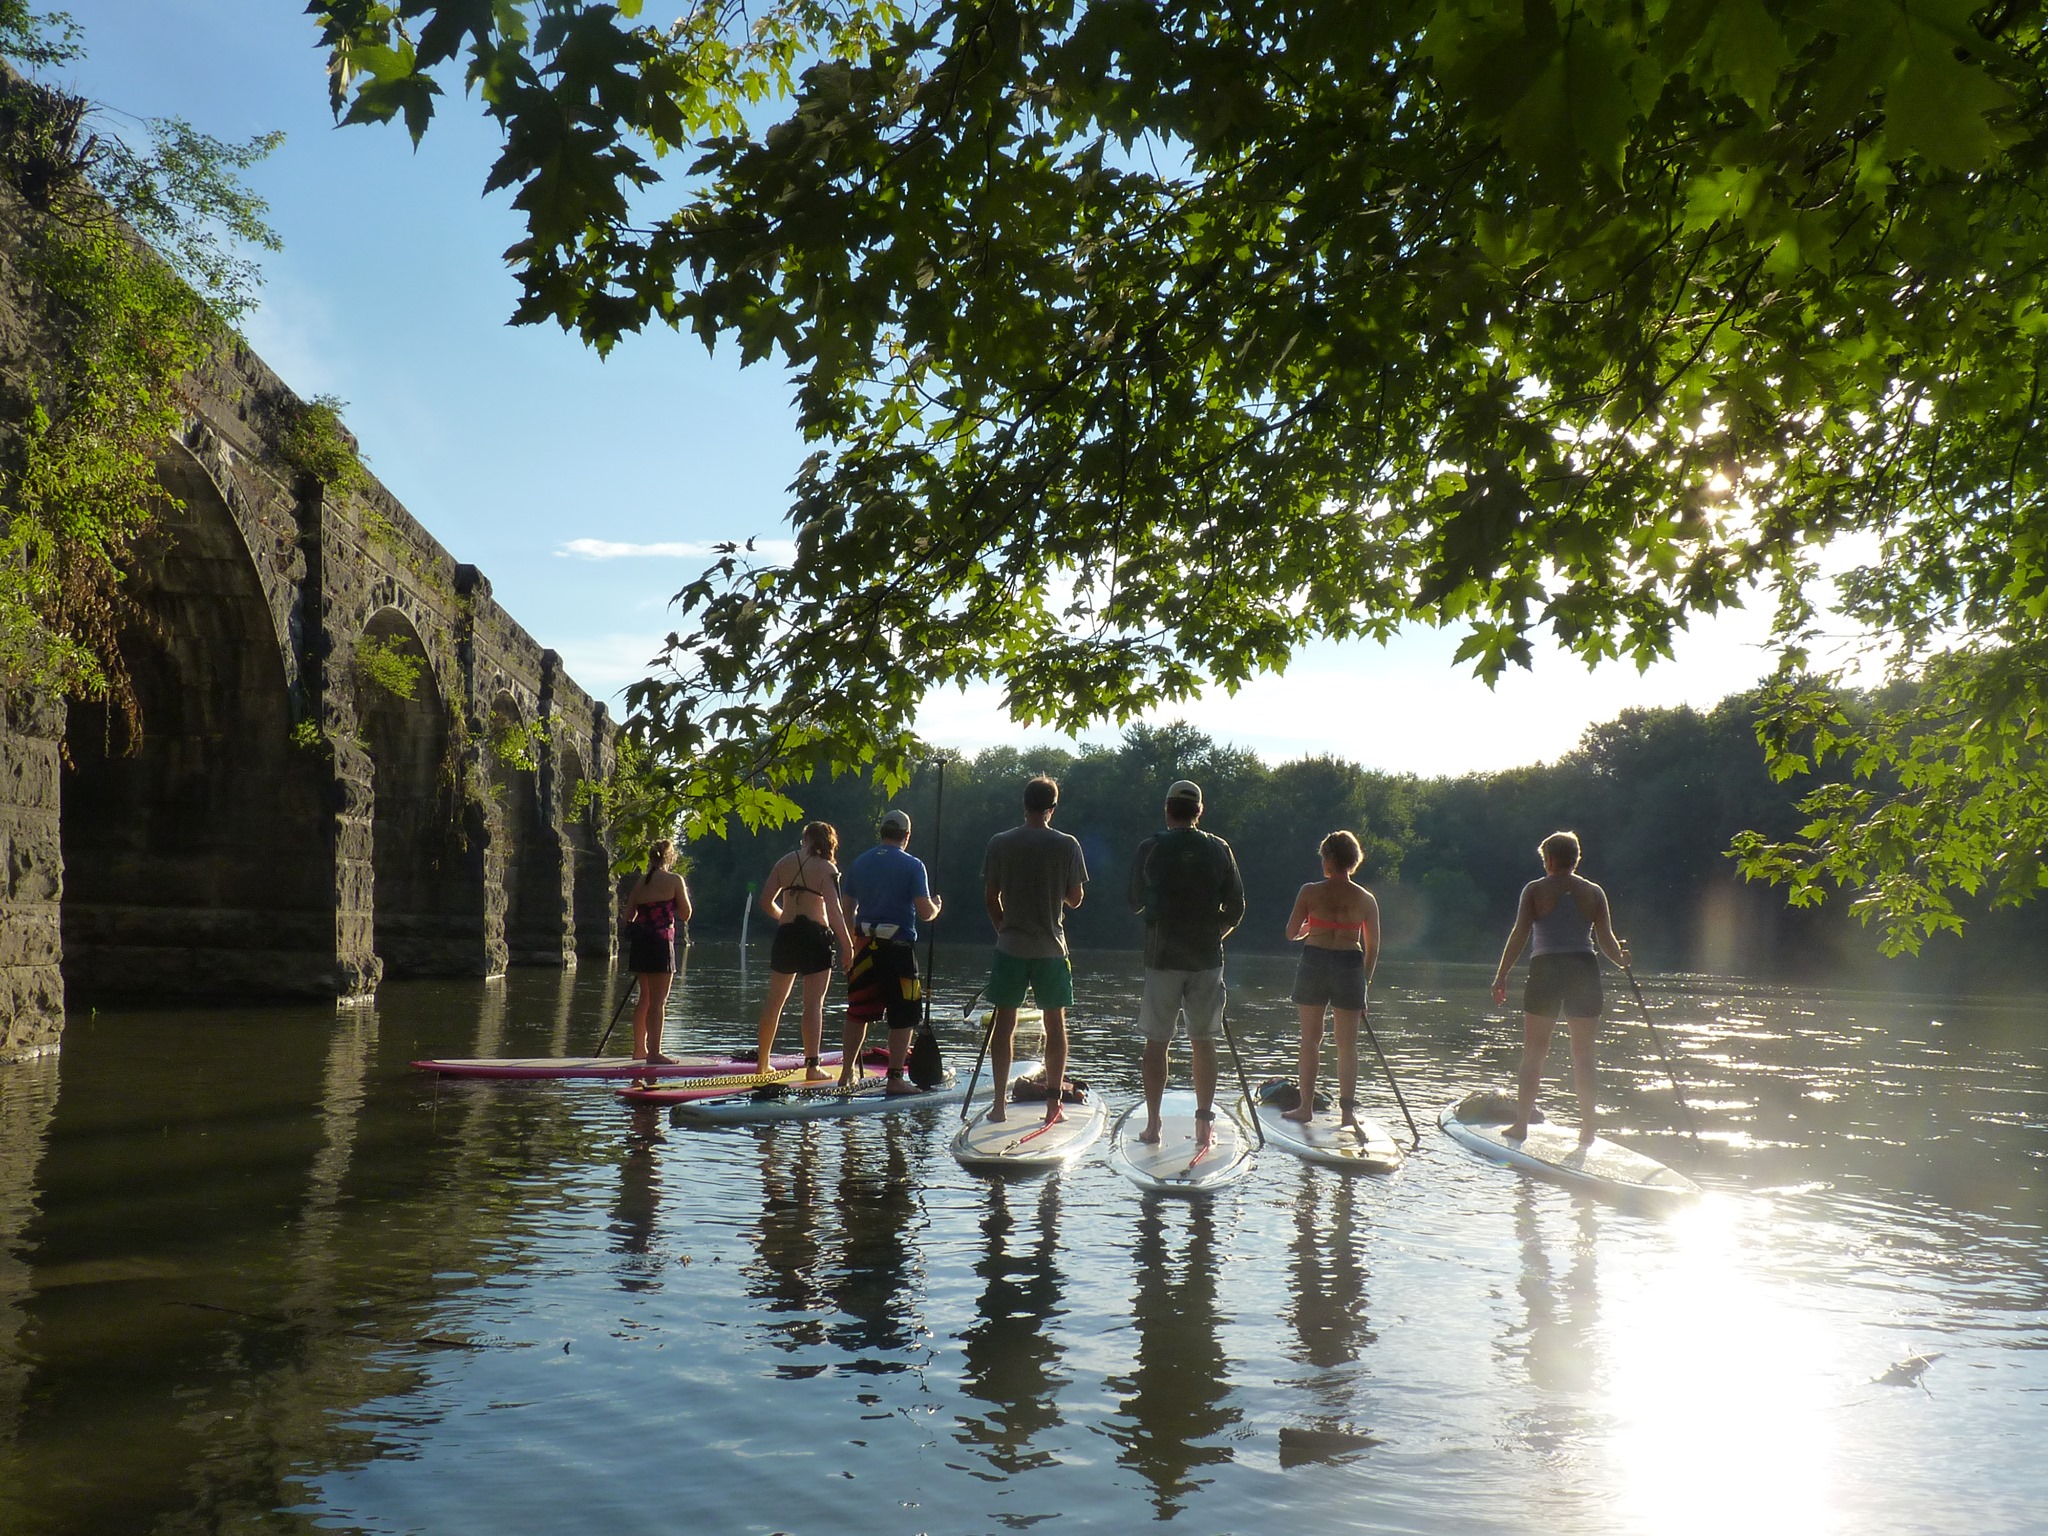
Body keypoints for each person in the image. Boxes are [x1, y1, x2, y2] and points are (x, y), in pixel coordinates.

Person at [1489, 829, 1631, 1145]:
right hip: (1584, 968)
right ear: (1575, 859)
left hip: (1546, 970)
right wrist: (1621, 960)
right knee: (1584, 1055)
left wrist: (1501, 977)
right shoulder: (1594, 892)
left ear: (1550, 859)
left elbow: (1519, 935)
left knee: (1534, 1053)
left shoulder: (1535, 890)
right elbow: (1606, 939)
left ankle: (1521, 1126)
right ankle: (1588, 1130)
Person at [1127, 779, 1245, 1149]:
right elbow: (1237, 908)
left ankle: (1152, 1125)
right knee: (1203, 1041)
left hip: (1162, 960)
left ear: (1167, 809)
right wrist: (1214, 934)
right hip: (1207, 960)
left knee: (1156, 1042)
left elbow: (1133, 902)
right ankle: (1203, 1126)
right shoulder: (1220, 849)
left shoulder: (1150, 848)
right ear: (1199, 811)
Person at [981, 774, 1087, 1126]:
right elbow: (1075, 899)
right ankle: (1053, 1105)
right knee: (1055, 1024)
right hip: (1051, 947)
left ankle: (999, 1104)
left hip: (1010, 944)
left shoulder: (999, 842)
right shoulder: (1067, 844)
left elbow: (991, 895)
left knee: (1004, 1024)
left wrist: (1002, 927)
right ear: (1052, 808)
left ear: (1024, 805)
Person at [839, 808, 943, 1094]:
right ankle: (895, 1079)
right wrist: (936, 907)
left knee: (858, 1011)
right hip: (898, 948)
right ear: (906, 836)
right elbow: (924, 912)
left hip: (864, 945)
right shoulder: (913, 865)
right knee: (904, 1014)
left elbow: (846, 906)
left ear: (882, 832)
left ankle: (846, 1074)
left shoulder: (860, 862)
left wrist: (851, 941)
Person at [1282, 831, 1381, 1130]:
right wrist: (1364, 983)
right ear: (1353, 860)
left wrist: (1309, 929)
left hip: (1314, 960)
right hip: (1350, 964)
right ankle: (1347, 1114)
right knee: (1346, 1045)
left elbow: (1290, 933)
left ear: (1329, 858)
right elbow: (1373, 947)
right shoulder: (1366, 899)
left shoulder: (1310, 892)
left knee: (1310, 1040)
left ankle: (1305, 1108)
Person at [754, 821, 855, 1081]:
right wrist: (848, 947)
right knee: (813, 1004)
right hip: (815, 937)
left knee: (774, 1002)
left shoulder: (784, 862)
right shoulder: (827, 868)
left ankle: (762, 1063)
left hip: (786, 935)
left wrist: (783, 917)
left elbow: (765, 901)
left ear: (806, 839)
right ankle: (812, 1066)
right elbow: (834, 911)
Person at [622, 839, 692, 1071]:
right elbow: (685, 913)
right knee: (658, 1001)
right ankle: (654, 1052)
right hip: (661, 944)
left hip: (641, 944)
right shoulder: (674, 880)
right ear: (670, 858)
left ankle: (639, 1049)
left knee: (645, 998)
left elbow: (627, 916)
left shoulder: (641, 882)